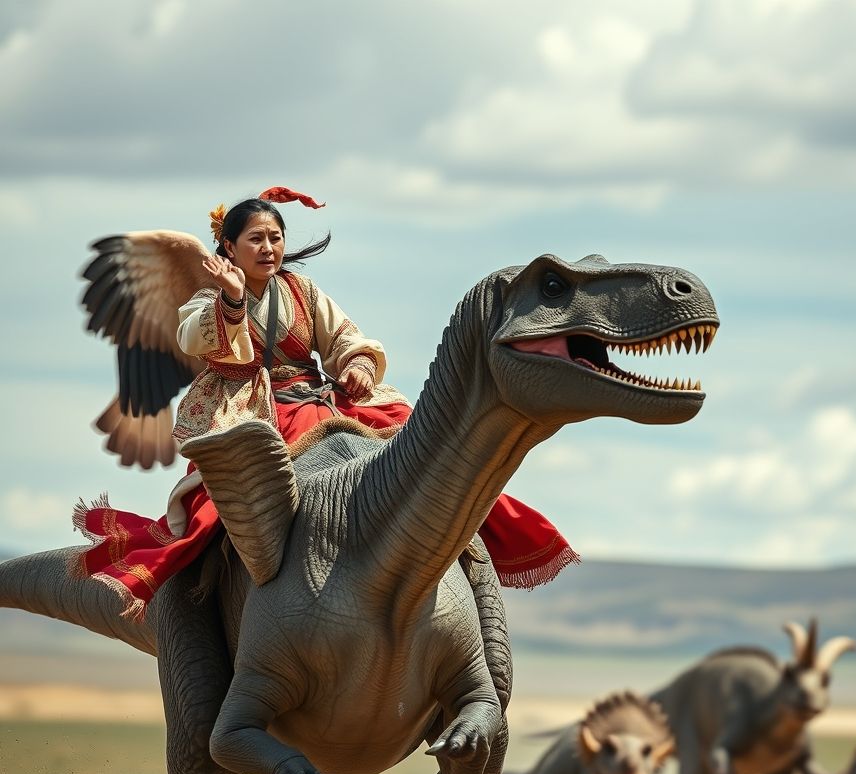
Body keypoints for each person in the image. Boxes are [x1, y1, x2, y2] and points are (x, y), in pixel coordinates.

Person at [75, 190, 578, 618]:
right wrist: (229, 300)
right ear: (229, 246)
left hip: (319, 396)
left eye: (275, 238)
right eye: (255, 239)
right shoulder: (207, 297)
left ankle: (465, 542)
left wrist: (355, 365)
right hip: (251, 407)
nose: (268, 247)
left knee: (421, 443)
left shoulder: (302, 290)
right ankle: (209, 605)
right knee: (221, 508)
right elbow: (194, 341)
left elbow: (342, 337)